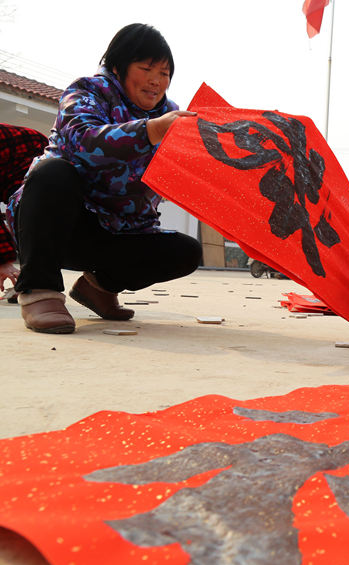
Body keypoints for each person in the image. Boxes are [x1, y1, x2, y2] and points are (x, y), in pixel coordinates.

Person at [7, 23, 202, 334]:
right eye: (146, 68)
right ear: (118, 67)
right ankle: (39, 291)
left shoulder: (172, 117)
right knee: (53, 173)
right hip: (60, 223)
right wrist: (150, 132)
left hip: (119, 229)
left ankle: (97, 288)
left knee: (185, 252)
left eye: (164, 73)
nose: (156, 80)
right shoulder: (86, 92)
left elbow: (180, 178)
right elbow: (84, 142)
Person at [1, 124, 49, 299]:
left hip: (31, 155)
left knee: (25, 215)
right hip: (11, 160)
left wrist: (4, 261)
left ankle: (30, 283)